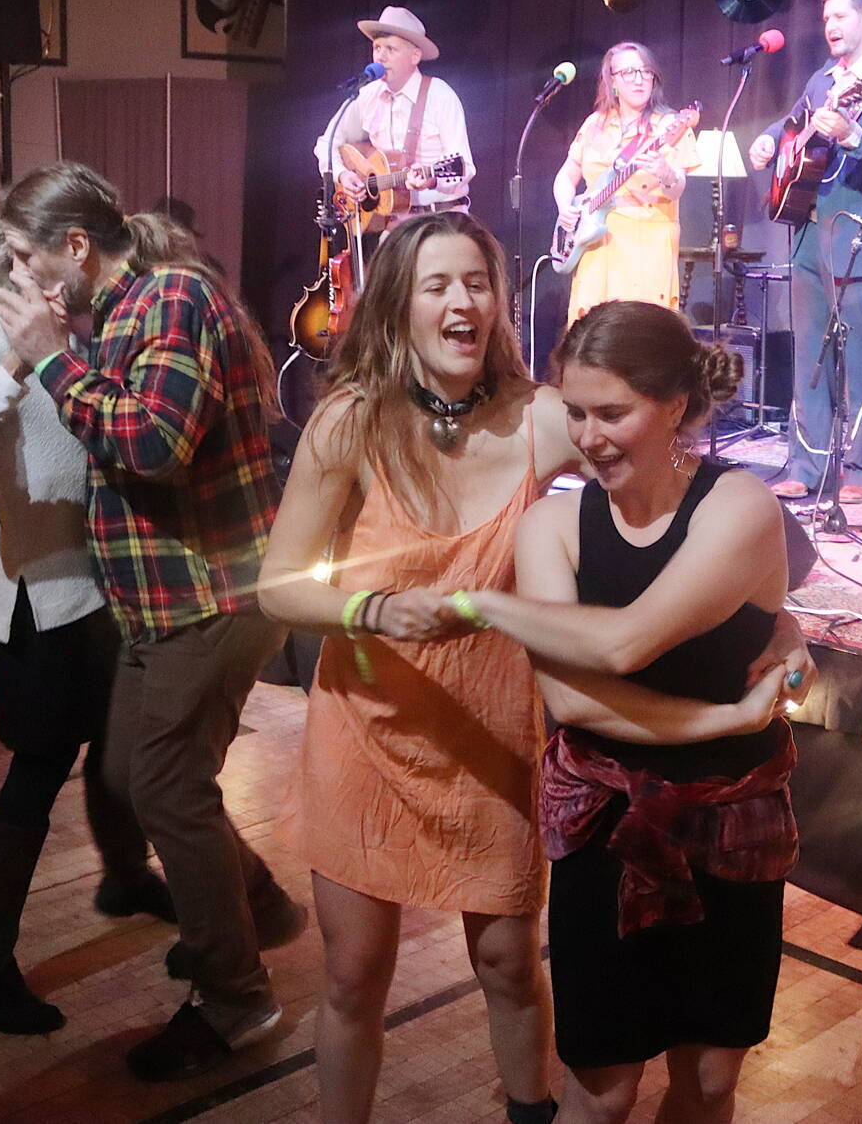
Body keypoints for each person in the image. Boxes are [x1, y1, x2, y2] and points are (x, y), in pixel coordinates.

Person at [439, 301, 807, 1124]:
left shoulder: (738, 505)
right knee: (601, 1091)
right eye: (575, 411)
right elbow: (572, 698)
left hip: (729, 828)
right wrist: (729, 722)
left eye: (613, 412)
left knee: (710, 1080)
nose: (591, 434)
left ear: (676, 404)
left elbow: (623, 647)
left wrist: (482, 606)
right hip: (604, 825)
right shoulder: (554, 524)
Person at [258, 211, 578, 1124]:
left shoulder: (539, 418)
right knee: (354, 972)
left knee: (510, 962)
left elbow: (659, 462)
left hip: (490, 736)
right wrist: (373, 609)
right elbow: (279, 585)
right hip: (367, 732)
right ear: (399, 306)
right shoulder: (351, 422)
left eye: (476, 282)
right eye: (437, 285)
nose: (461, 301)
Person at [0, 162, 304, 1081]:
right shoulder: (128, 311)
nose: (18, 280)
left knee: (164, 788)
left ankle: (237, 998)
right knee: (128, 770)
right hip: (163, 603)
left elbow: (153, 442)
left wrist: (51, 357)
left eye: (23, 259)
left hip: (207, 598)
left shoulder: (169, 297)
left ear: (75, 249)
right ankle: (255, 900)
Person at [0, 226, 174, 1036]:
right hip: (41, 596)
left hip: (106, 585)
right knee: (37, 772)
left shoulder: (93, 321)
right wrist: (16, 364)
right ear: (19, 257)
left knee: (120, 747)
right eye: (47, 249)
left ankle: (126, 874)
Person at [749, 0, 862, 505]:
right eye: (827, 18)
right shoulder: (823, 77)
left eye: (842, 16)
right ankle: (807, 465)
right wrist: (770, 136)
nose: (831, 26)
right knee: (810, 354)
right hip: (808, 227)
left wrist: (850, 133)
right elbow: (794, 122)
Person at [553, 41, 699, 322]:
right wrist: (565, 208)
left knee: (638, 330)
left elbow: (678, 186)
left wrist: (665, 172)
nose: (639, 79)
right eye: (629, 72)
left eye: (645, 72)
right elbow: (566, 175)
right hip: (595, 239)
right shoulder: (595, 124)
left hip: (647, 242)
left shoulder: (668, 125)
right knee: (593, 329)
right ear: (613, 82)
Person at [313, 5, 476, 220]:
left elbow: (463, 167)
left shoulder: (440, 95)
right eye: (377, 48)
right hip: (392, 222)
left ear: (415, 55)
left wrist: (432, 179)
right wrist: (344, 175)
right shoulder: (367, 95)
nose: (380, 57)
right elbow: (327, 143)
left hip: (442, 219)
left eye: (391, 49)